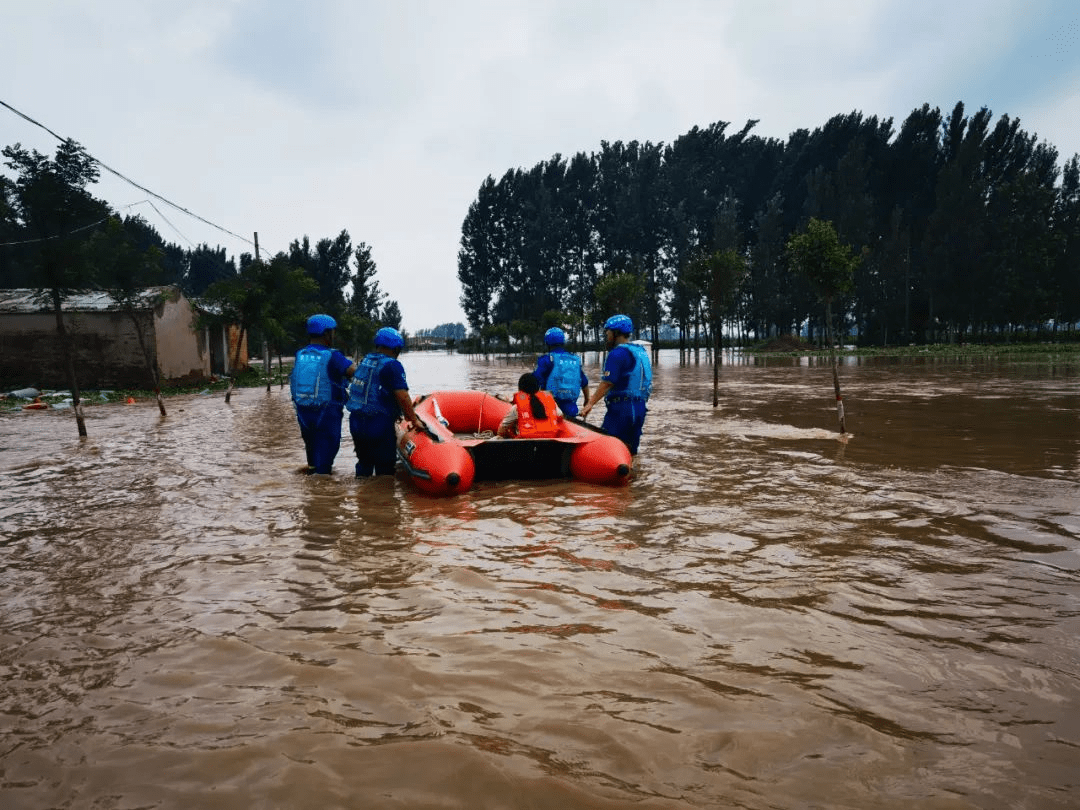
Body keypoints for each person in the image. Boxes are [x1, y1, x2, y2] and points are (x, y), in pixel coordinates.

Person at [346, 326, 425, 477]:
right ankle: (384, 499)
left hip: (356, 422)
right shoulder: (392, 365)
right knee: (385, 468)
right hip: (377, 423)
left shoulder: (365, 361)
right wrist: (414, 420)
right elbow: (402, 396)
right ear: (396, 349)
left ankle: (362, 497)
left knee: (364, 463)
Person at [290, 314, 357, 474]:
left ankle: (312, 486)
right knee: (325, 466)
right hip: (327, 414)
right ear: (326, 333)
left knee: (312, 456)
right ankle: (323, 496)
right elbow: (354, 372)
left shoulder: (301, 354)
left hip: (303, 414)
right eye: (332, 332)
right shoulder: (333, 356)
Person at [579, 314, 652, 455]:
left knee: (607, 449)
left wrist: (590, 404)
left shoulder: (617, 354)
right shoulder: (641, 351)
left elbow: (607, 383)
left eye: (608, 331)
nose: (606, 335)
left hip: (622, 409)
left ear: (616, 333)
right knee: (630, 452)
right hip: (640, 408)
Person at [533, 327, 590, 418]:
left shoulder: (546, 359)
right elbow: (584, 383)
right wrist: (587, 400)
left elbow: (533, 381)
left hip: (551, 408)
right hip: (571, 408)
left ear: (547, 343)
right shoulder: (574, 360)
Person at [497, 372, 563, 438]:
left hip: (527, 443)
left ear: (520, 390)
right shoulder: (551, 402)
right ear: (538, 388)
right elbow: (560, 415)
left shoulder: (517, 408)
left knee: (498, 437)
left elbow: (502, 430)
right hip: (550, 443)